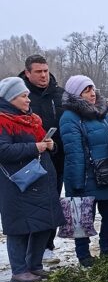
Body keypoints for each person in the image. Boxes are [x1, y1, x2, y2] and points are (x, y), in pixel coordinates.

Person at [0, 76, 63, 282]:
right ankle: (19, 270)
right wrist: (35, 147)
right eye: (23, 96)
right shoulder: (2, 121)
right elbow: (3, 150)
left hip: (40, 181)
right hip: (17, 184)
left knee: (44, 223)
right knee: (19, 228)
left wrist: (50, 145)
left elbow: (42, 144)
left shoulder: (32, 119)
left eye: (28, 95)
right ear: (10, 98)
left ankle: (35, 265)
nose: (28, 100)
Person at [59, 75, 108, 267]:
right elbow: (74, 152)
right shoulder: (70, 117)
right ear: (76, 94)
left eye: (92, 89)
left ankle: (107, 249)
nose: (92, 93)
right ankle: (84, 255)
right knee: (83, 217)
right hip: (85, 176)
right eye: (86, 91)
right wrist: (77, 183)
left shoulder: (102, 113)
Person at [19, 54, 65, 261]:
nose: (44, 75)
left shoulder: (59, 94)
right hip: (28, 160)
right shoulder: (20, 95)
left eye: (46, 71)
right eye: (38, 72)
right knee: (31, 205)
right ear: (27, 73)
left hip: (57, 158)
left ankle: (47, 244)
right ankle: (27, 248)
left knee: (52, 202)